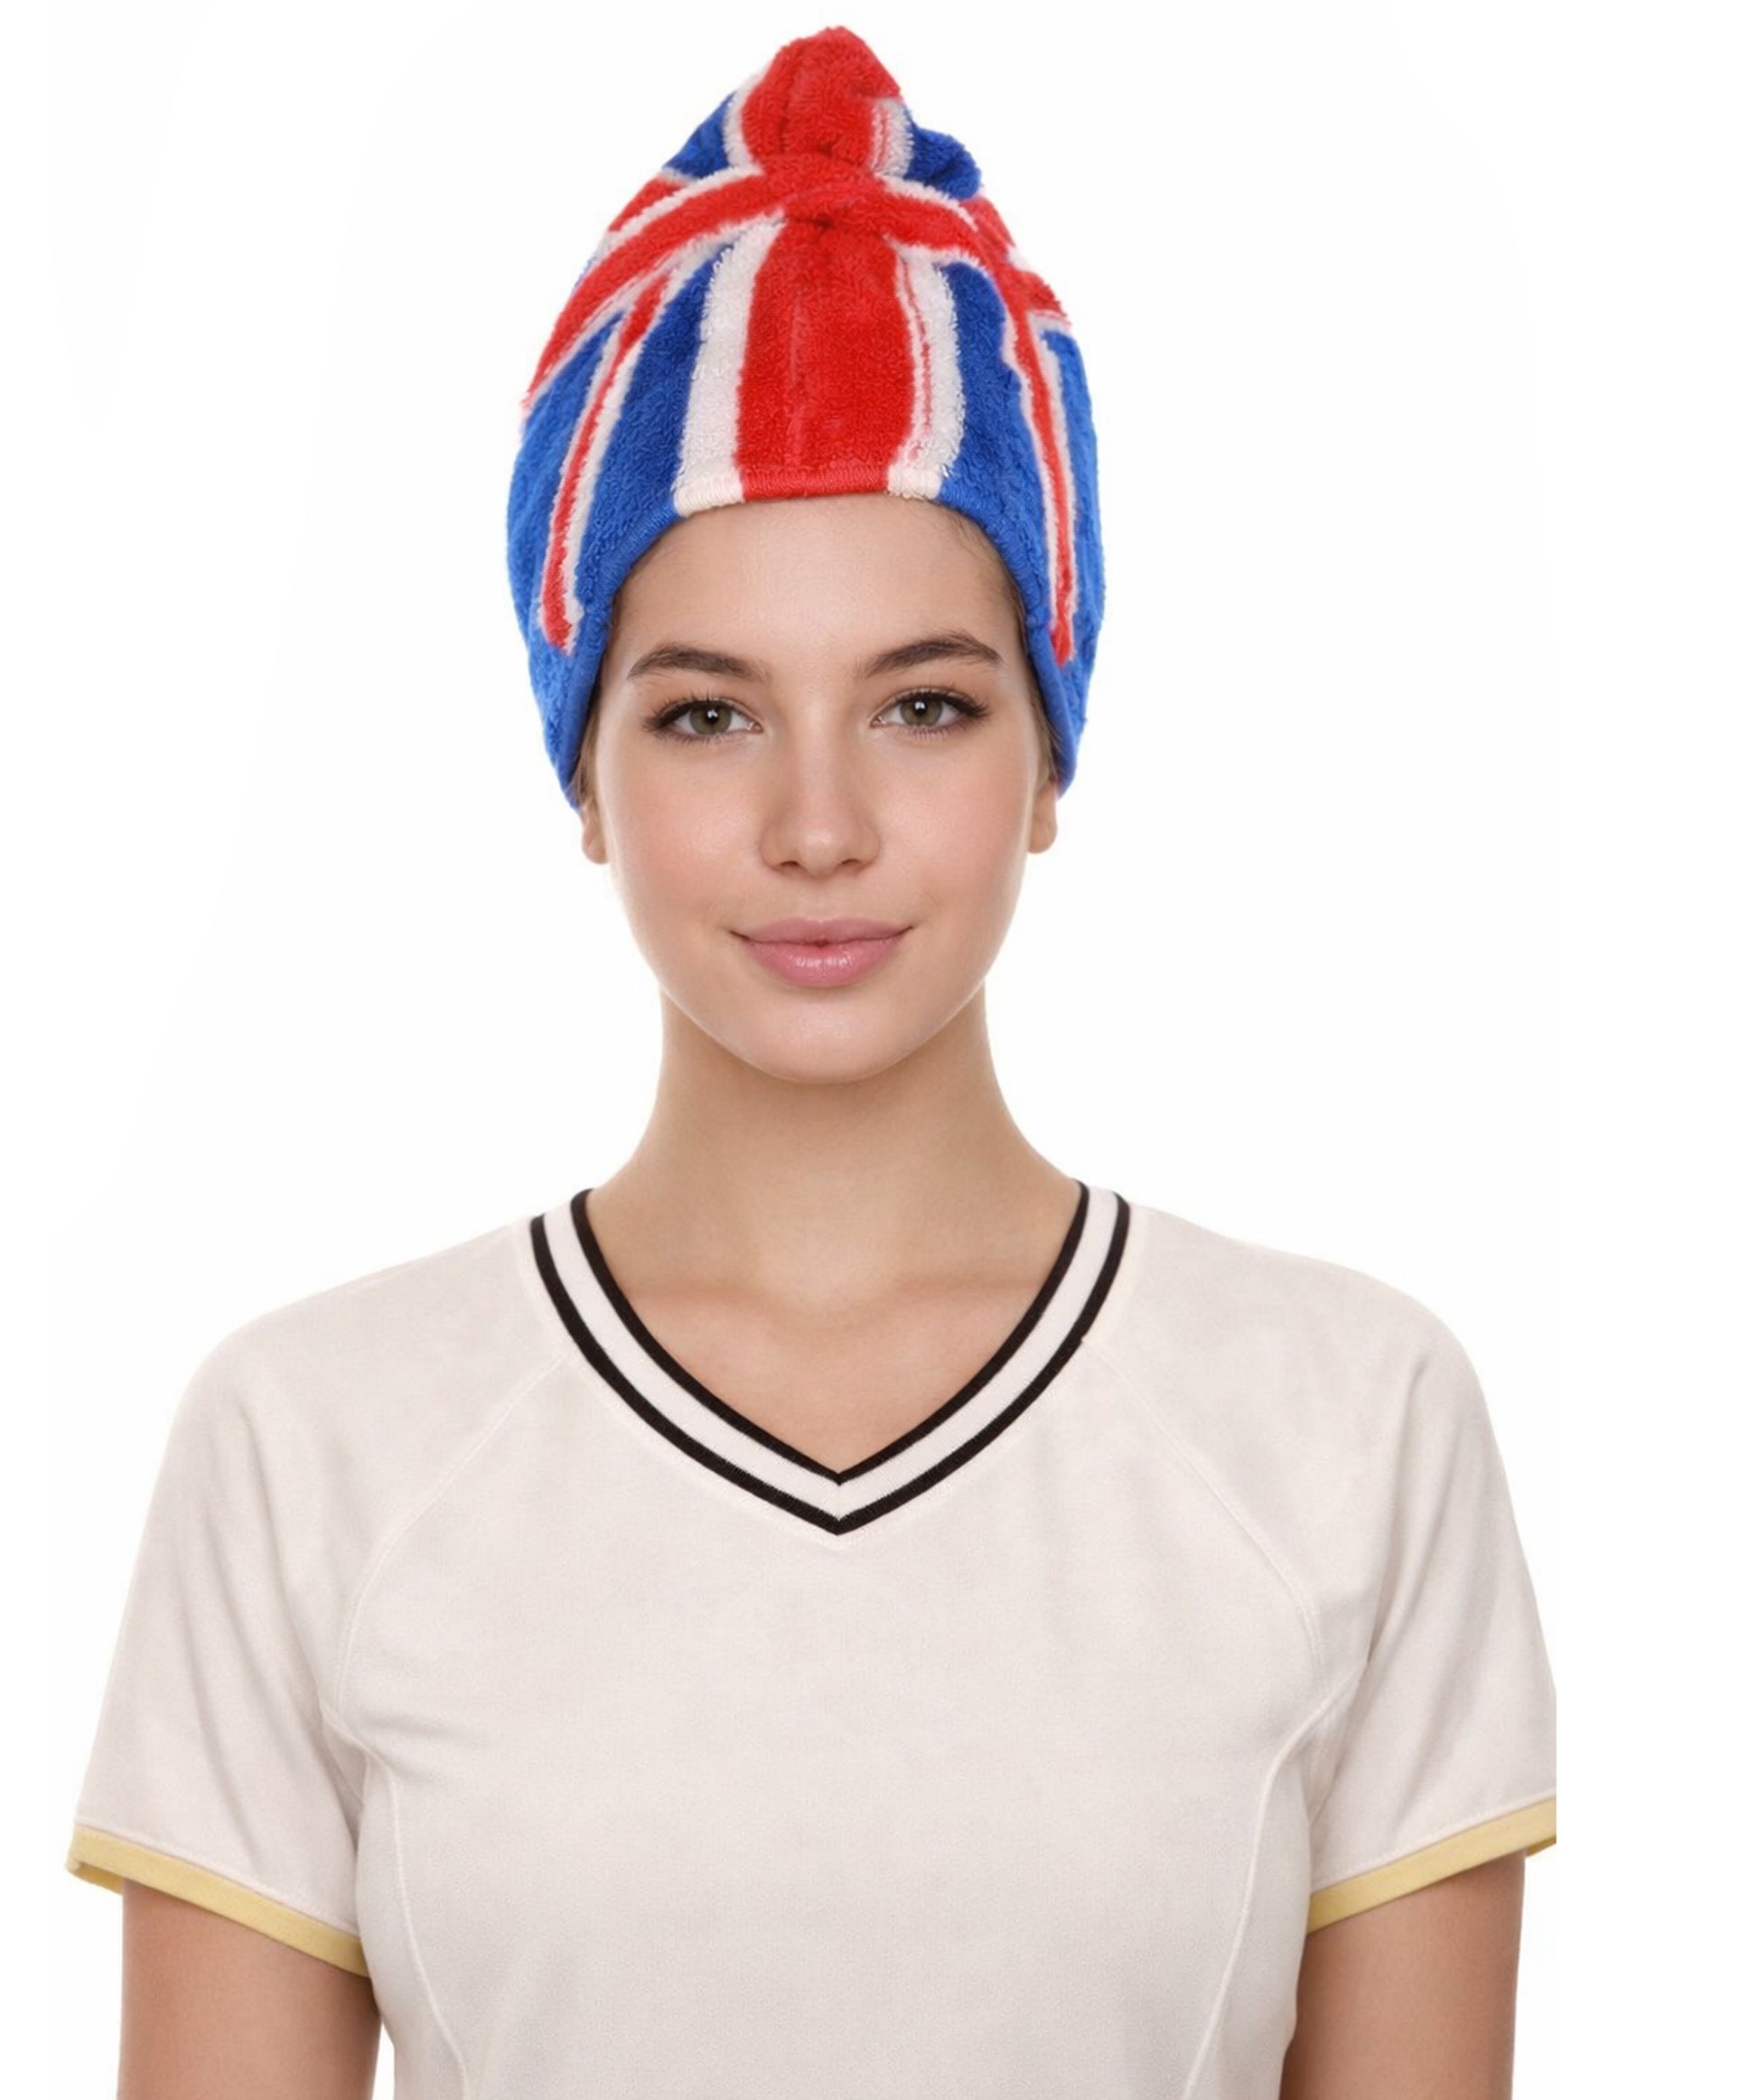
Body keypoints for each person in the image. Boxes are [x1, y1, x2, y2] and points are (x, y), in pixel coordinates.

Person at [63, 24, 1556, 2100]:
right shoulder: (311, 1445)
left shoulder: (1345, 1421)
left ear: (1049, 751)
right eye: (706, 713)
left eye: (924, 704)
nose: (819, 824)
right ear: (583, 770)